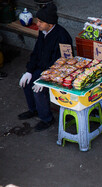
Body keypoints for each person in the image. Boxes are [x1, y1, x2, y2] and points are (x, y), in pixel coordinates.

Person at [18, 2, 72, 131]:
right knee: (27, 82)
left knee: (39, 90)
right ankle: (33, 109)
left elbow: (63, 62)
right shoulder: (43, 32)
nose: (38, 24)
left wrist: (45, 79)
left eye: (41, 22)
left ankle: (47, 118)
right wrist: (29, 71)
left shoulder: (63, 37)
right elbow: (36, 53)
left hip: (55, 73)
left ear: (50, 24)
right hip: (41, 69)